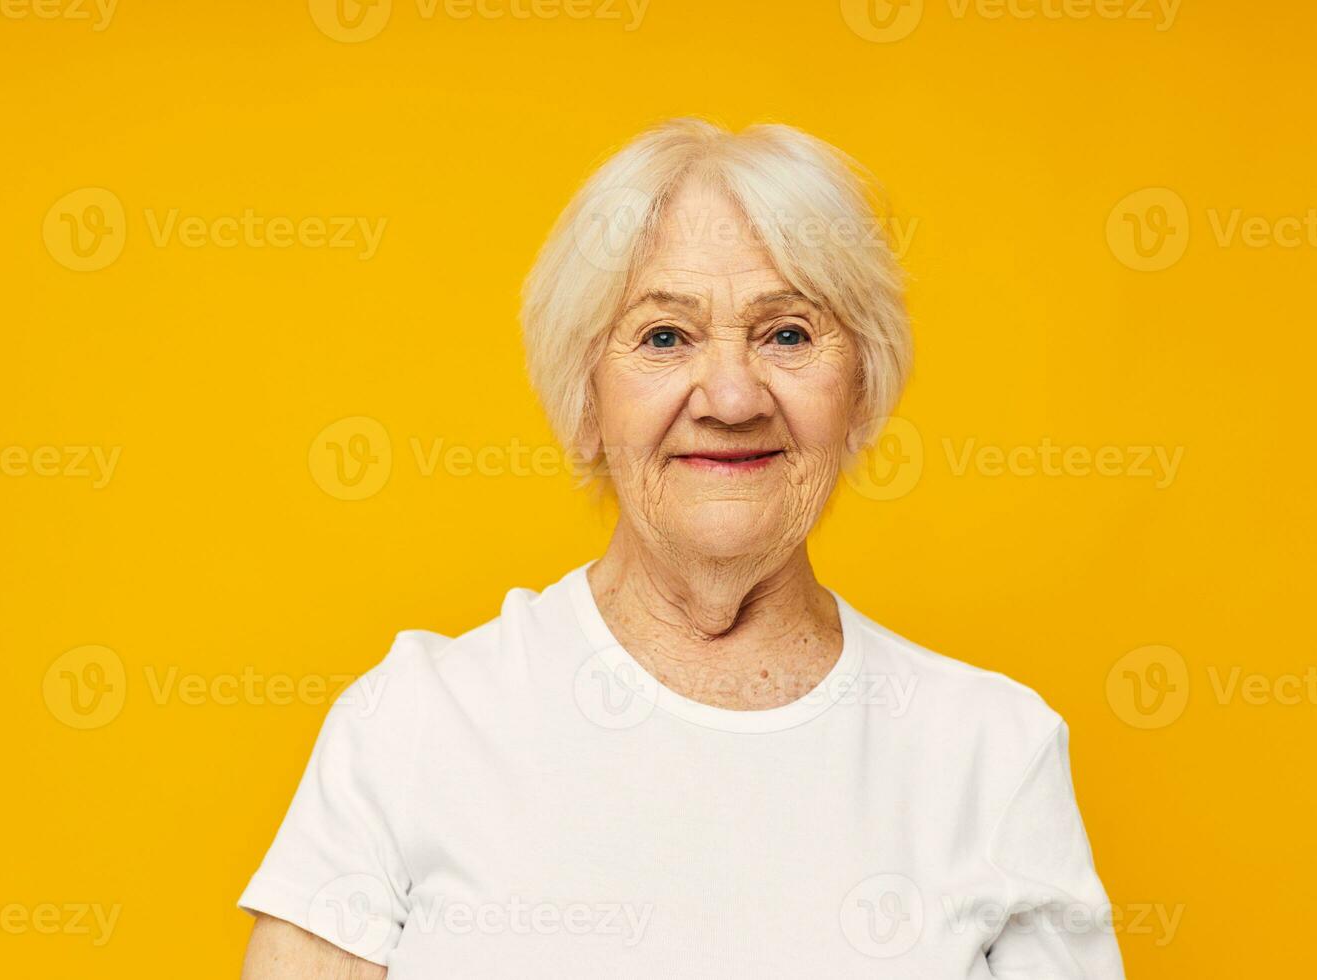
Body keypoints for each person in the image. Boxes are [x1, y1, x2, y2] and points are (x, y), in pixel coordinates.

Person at [238, 117, 1125, 979]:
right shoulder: (411, 727)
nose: (733, 396)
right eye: (665, 336)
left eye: (788, 334)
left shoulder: (992, 752)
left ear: (862, 392)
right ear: (585, 397)